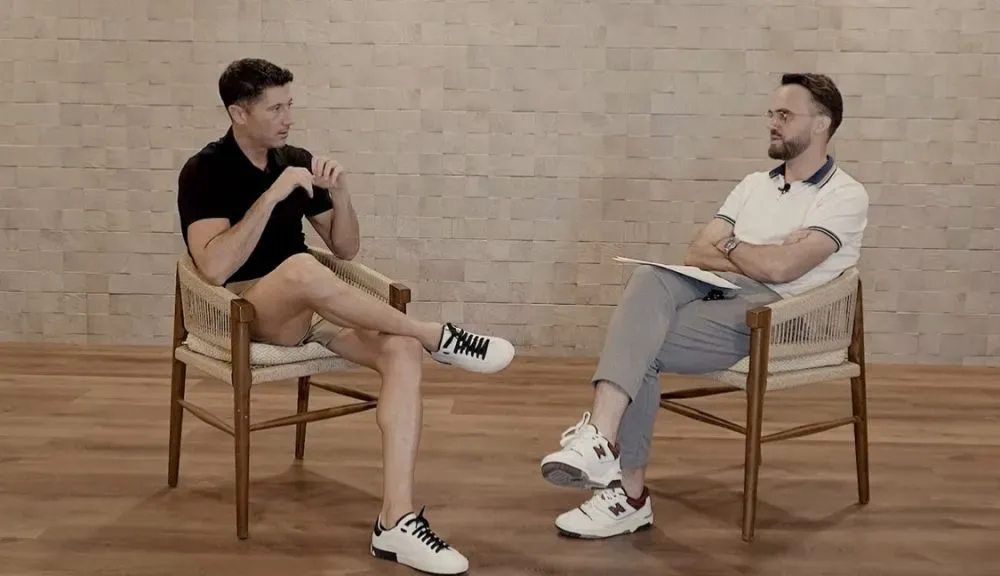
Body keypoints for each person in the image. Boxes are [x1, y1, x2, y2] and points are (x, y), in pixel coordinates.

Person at [177, 58, 515, 575]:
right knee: (299, 268)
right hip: (244, 312)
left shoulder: (294, 159)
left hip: (310, 306)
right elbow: (213, 267)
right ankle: (437, 335)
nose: (288, 118)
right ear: (238, 113)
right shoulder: (204, 171)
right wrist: (272, 196)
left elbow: (346, 249)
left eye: (290, 105)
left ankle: (396, 522)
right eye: (275, 108)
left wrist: (340, 193)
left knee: (399, 350)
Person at [539, 73, 868, 539]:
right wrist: (759, 252)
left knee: (641, 347)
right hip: (722, 291)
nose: (772, 123)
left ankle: (626, 491)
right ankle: (602, 443)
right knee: (649, 277)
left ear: (821, 124)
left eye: (785, 114)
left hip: (779, 316)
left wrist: (732, 244)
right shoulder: (753, 184)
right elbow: (696, 252)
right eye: (771, 113)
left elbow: (782, 271)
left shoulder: (844, 195)